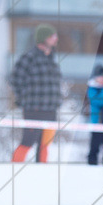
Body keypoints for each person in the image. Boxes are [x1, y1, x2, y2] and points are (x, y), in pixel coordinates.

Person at [9, 24, 61, 163]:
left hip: (51, 109)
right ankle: (12, 169)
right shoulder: (28, 58)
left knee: (45, 145)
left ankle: (40, 174)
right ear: (43, 39)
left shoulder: (51, 60)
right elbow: (15, 79)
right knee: (27, 142)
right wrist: (25, 98)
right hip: (34, 109)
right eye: (52, 36)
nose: (55, 39)